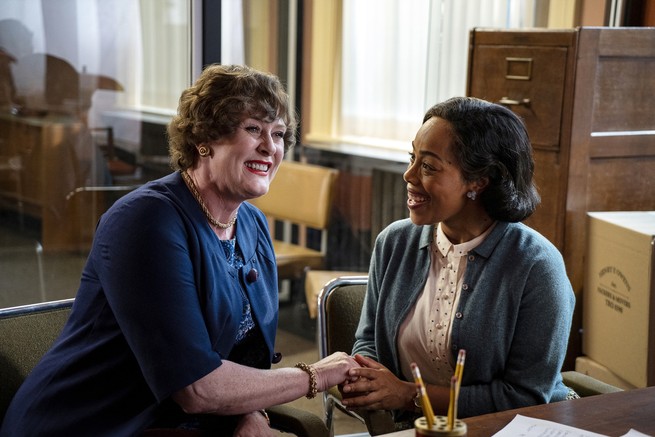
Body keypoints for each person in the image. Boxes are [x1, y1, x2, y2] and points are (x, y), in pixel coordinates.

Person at [0, 64, 358, 436]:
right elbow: (196, 387)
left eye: (279, 134)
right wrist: (315, 375)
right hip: (92, 424)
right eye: (253, 129)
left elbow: (244, 358)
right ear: (204, 138)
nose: (270, 147)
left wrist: (251, 413)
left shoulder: (251, 223)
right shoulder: (145, 221)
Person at [340, 96, 576, 427]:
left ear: (479, 181)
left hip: (512, 428)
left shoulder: (536, 266)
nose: (409, 175)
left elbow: (525, 396)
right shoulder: (393, 243)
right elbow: (369, 341)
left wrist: (409, 394)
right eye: (413, 158)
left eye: (428, 166)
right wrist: (370, 381)